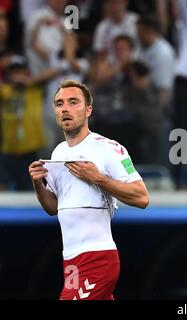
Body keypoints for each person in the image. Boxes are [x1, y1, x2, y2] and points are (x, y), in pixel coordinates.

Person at [28, 80, 149, 300]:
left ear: (88, 110)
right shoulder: (58, 153)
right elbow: (53, 207)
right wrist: (37, 182)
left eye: (73, 102)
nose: (65, 108)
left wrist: (98, 178)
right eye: (59, 103)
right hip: (71, 261)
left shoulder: (107, 148)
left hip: (98, 258)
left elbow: (141, 197)